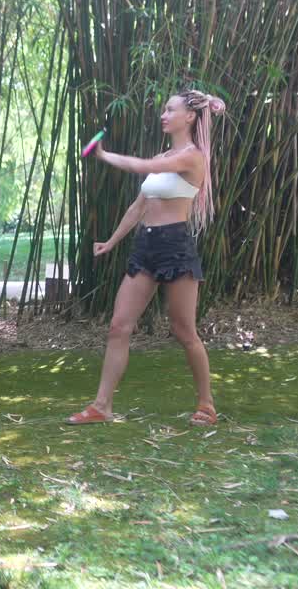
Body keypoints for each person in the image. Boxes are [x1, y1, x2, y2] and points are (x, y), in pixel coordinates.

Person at [67, 89, 226, 427]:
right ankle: (101, 406)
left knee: (184, 331)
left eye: (170, 110)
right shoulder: (165, 154)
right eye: (164, 110)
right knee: (118, 326)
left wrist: (105, 155)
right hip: (146, 247)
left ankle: (206, 403)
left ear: (190, 117)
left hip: (175, 246)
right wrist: (111, 241)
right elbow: (138, 207)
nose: (163, 115)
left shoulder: (192, 157)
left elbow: (146, 166)